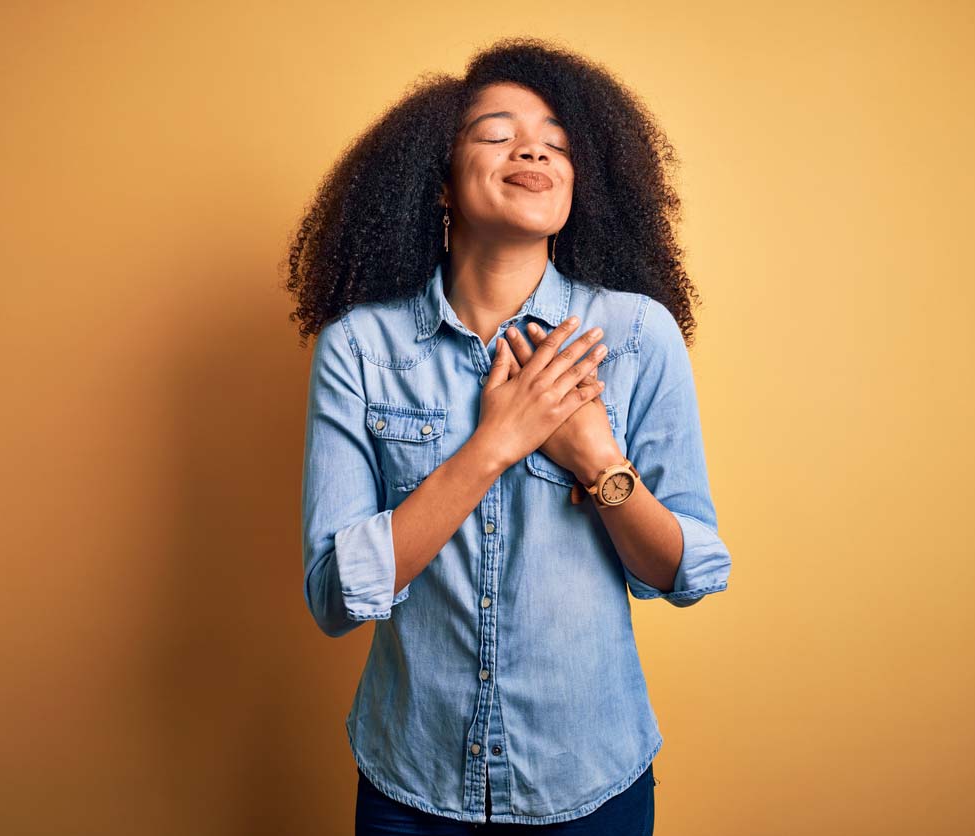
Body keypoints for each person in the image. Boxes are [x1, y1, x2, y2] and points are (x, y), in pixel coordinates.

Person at [285, 36, 732, 835]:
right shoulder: (358, 348)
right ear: (439, 183)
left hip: (591, 783)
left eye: (558, 142)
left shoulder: (636, 336)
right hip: (410, 785)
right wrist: (495, 443)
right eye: (497, 132)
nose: (533, 147)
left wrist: (599, 461)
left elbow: (685, 569)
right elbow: (334, 596)